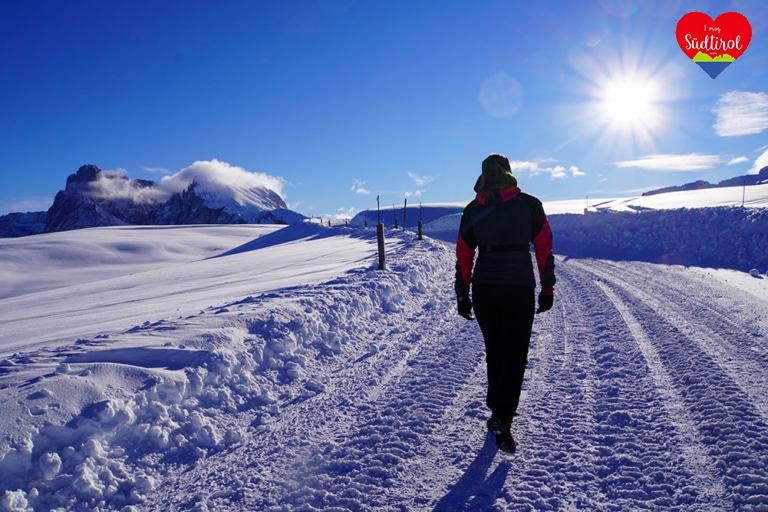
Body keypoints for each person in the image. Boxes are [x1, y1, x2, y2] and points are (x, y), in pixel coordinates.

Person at [454, 153, 555, 454]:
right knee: (515, 354)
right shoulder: (530, 205)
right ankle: (503, 417)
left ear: (483, 176)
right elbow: (545, 249)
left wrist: (463, 294)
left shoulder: (473, 209)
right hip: (518, 287)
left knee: (495, 350)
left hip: (485, 288)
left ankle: (496, 407)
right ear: (509, 174)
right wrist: (547, 289)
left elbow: (463, 255)